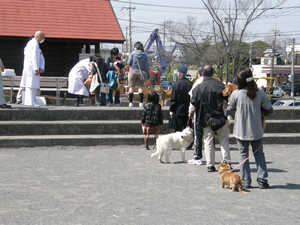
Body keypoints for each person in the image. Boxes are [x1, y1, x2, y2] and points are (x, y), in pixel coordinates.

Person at [226, 68, 273, 189]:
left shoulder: (236, 94)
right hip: (256, 130)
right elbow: (269, 109)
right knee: (259, 155)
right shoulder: (260, 93)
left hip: (241, 130)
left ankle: (246, 181)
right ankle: (262, 179)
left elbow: (229, 108)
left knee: (243, 155)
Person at [191, 65, 231, 172]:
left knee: (208, 141)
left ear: (202, 74)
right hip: (220, 117)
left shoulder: (198, 88)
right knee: (224, 141)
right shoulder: (220, 85)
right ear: (213, 73)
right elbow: (226, 100)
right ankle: (227, 162)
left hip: (205, 118)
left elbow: (193, 102)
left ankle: (210, 165)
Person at [20, 31, 45, 106]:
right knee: (32, 85)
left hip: (29, 67)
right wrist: (35, 68)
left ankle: (29, 101)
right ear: (38, 37)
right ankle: (31, 101)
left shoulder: (31, 43)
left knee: (30, 84)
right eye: (42, 37)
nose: (43, 39)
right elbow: (34, 57)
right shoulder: (34, 44)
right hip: (32, 68)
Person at [187, 67, 204, 165]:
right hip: (212, 113)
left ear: (198, 74)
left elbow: (192, 100)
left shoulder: (197, 83)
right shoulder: (214, 82)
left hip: (199, 111)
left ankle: (197, 156)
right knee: (209, 137)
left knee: (198, 134)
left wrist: (190, 112)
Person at [169, 65, 193, 132]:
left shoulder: (176, 85)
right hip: (188, 111)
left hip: (178, 112)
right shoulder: (191, 84)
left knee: (178, 132)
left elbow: (173, 99)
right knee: (188, 131)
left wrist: (171, 110)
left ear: (179, 73)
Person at [128, 41, 149, 108]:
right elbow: (146, 66)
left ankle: (131, 103)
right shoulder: (144, 55)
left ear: (135, 47)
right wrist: (147, 74)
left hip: (132, 72)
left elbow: (128, 63)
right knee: (140, 87)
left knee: (131, 87)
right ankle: (141, 103)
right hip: (141, 72)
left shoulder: (132, 54)